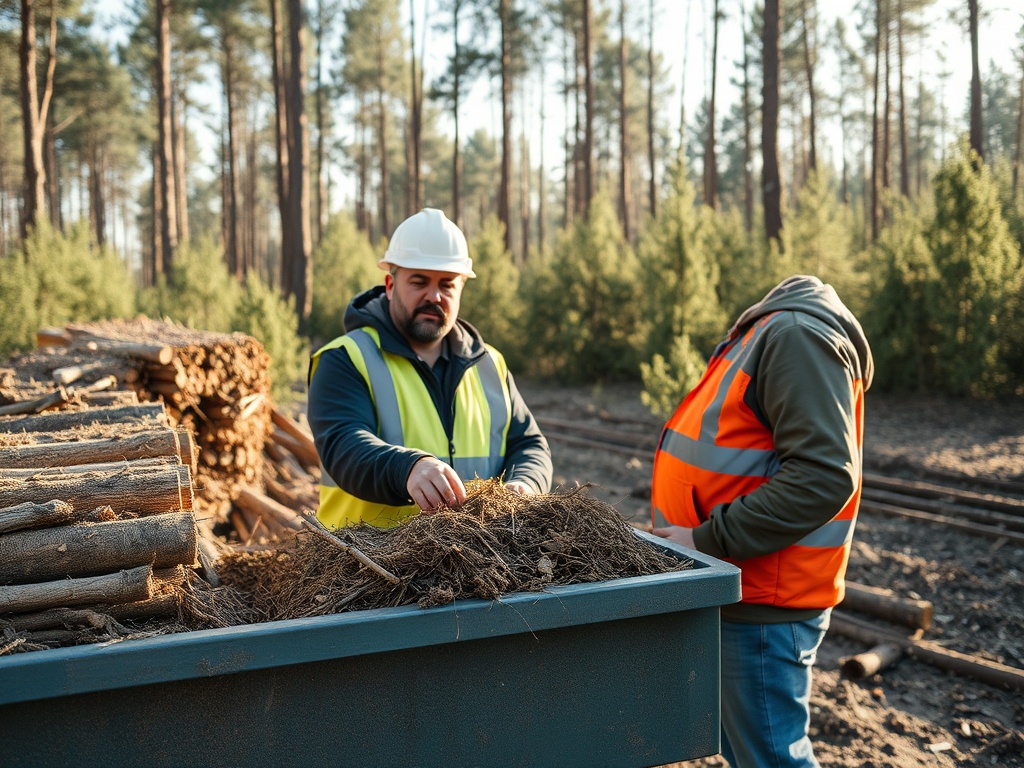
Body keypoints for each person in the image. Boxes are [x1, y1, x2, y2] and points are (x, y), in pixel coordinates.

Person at [650, 275, 874, 768]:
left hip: (764, 601)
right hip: (737, 588)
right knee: (750, 751)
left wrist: (707, 539)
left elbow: (823, 476)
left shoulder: (795, 335)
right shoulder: (765, 334)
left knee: (773, 758)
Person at [307, 208, 552, 529]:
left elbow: (529, 444)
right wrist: (407, 468)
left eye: (447, 285)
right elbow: (344, 444)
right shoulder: (345, 358)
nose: (434, 296)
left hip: (480, 564)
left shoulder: (491, 363)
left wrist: (525, 485)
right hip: (364, 567)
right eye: (419, 282)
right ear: (390, 285)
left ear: (461, 288)